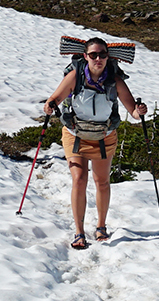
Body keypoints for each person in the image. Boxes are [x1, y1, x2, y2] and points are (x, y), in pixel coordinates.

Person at [43, 37, 145, 250]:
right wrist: (50, 106)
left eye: (102, 55)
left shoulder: (115, 81)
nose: (98, 59)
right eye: (93, 55)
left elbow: (133, 112)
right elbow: (54, 99)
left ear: (108, 56)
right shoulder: (74, 77)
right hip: (75, 134)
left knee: (102, 182)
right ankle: (79, 231)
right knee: (79, 179)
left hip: (104, 136)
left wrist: (139, 111)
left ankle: (101, 226)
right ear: (85, 56)